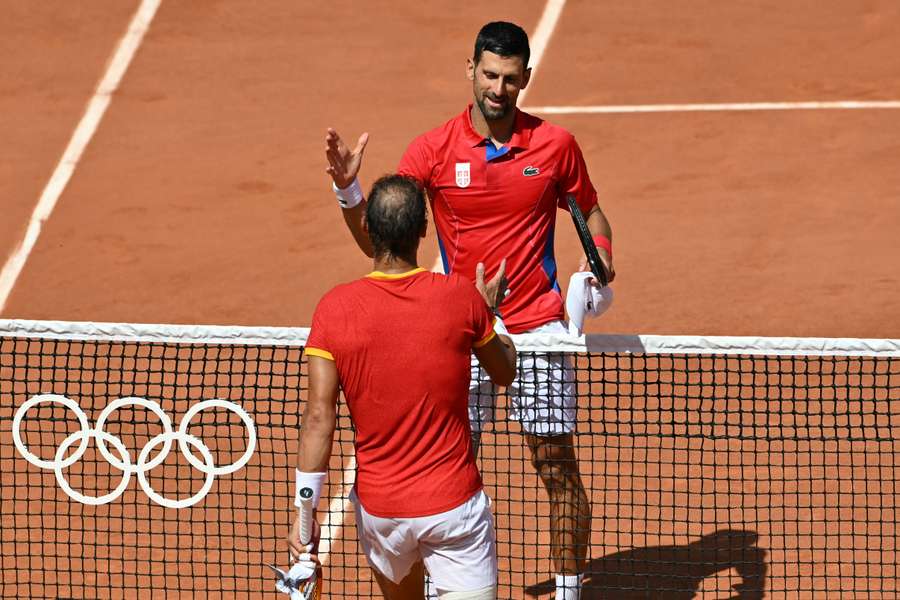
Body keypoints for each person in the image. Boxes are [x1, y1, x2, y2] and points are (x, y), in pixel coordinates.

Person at [323, 21, 614, 600]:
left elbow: (592, 213)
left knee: (557, 467)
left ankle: (568, 591)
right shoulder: (432, 150)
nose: (498, 89)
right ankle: (445, 585)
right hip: (456, 330)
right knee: (449, 468)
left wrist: (601, 267)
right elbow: (382, 238)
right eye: (488, 75)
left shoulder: (556, 146)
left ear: (525, 78)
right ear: (470, 71)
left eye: (510, 78)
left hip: (539, 331)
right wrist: (350, 193)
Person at [286, 174, 518, 600]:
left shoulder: (333, 309)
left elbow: (319, 415)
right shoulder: (461, 298)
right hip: (455, 510)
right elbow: (504, 372)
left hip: (383, 516)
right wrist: (491, 315)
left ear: (369, 230)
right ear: (423, 231)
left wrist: (305, 515)